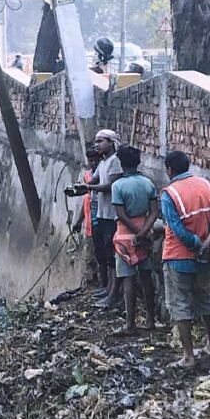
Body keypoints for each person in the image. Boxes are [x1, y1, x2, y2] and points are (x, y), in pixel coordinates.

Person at [159, 150, 210, 368]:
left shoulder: (169, 193)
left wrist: (196, 246)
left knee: (179, 304)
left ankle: (188, 356)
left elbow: (177, 229)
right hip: (206, 256)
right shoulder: (208, 185)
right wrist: (207, 244)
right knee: (206, 299)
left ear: (169, 170)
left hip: (178, 256)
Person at [110, 146, 159, 335]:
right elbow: (154, 211)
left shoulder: (118, 186)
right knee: (146, 276)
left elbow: (121, 215)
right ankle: (150, 319)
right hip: (145, 234)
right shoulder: (148, 183)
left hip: (124, 236)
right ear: (138, 162)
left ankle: (130, 323)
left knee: (128, 279)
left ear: (121, 164)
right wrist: (144, 231)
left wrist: (135, 232)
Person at [79, 129, 124, 307]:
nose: (97, 145)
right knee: (105, 252)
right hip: (102, 213)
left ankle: (114, 293)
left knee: (113, 255)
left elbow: (111, 185)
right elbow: (94, 180)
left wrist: (91, 188)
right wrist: (82, 186)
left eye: (100, 141)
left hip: (113, 214)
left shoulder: (115, 162)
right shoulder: (103, 163)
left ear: (111, 142)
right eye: (96, 142)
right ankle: (107, 288)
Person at [71, 147, 102, 288]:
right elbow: (86, 201)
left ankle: (98, 286)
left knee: (99, 258)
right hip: (89, 226)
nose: (93, 163)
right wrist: (78, 221)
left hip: (100, 225)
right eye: (90, 161)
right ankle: (89, 286)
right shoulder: (88, 176)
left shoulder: (104, 178)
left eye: (95, 160)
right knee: (89, 259)